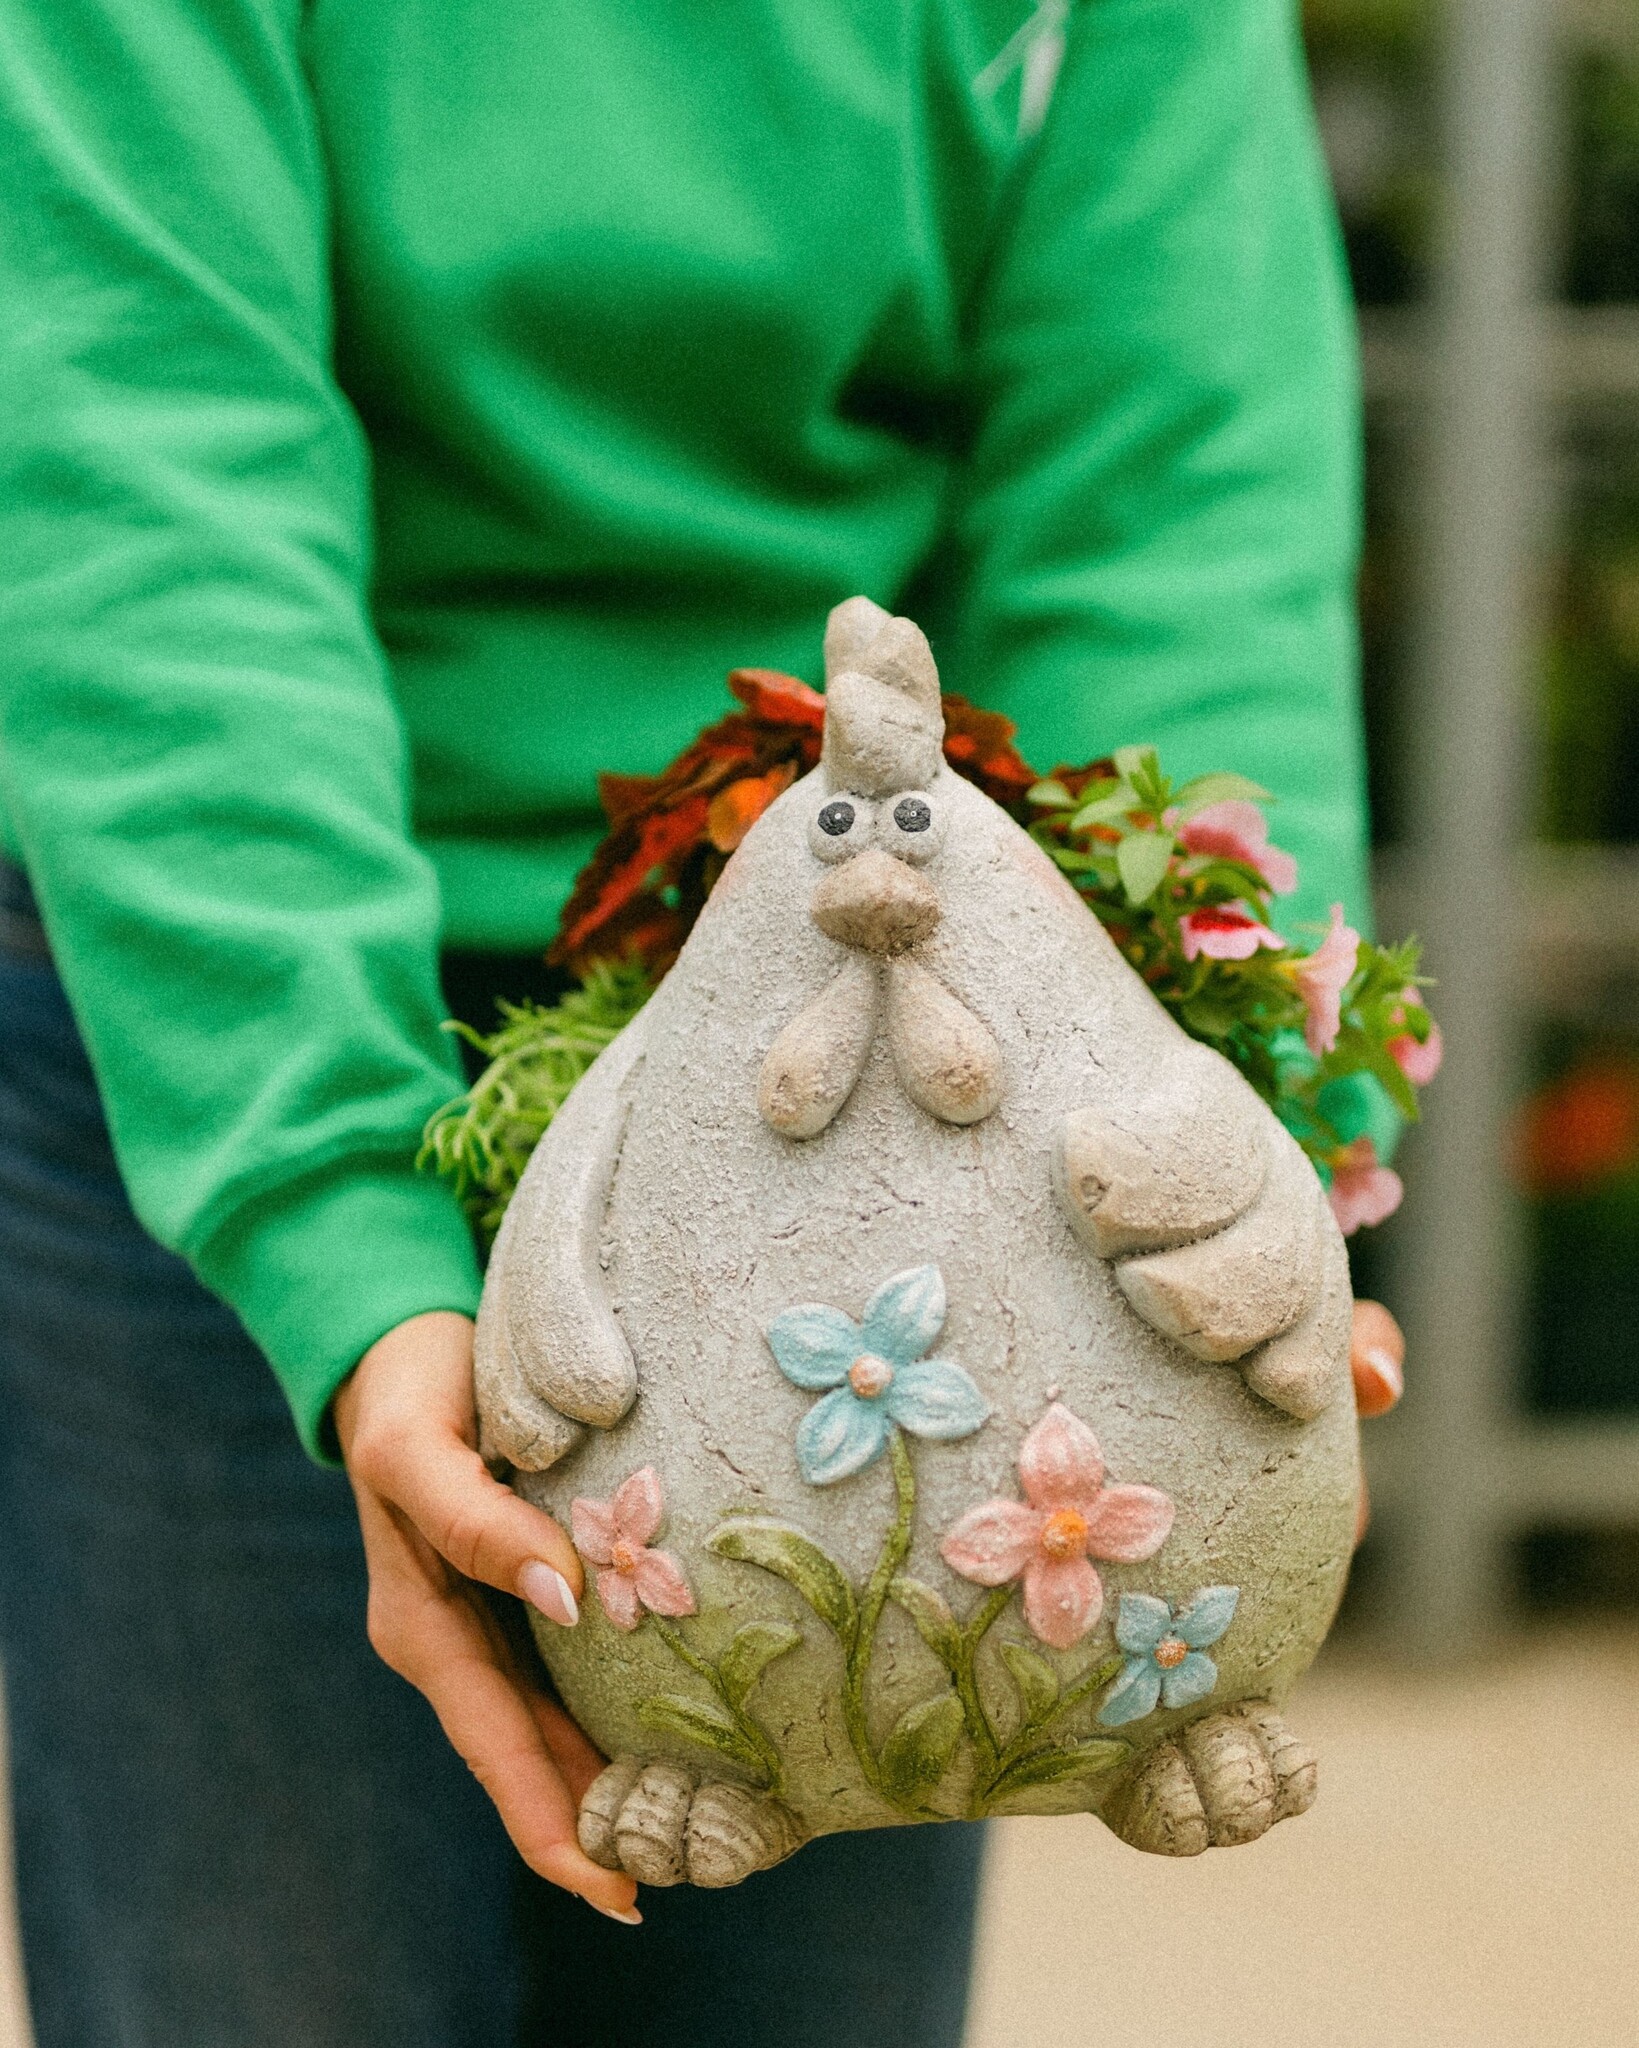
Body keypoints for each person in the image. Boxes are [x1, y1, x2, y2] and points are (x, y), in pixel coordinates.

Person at [0, 1, 1406, 2042]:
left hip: (889, 1026)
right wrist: (332, 1223)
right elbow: (149, 454)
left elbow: (1169, 492)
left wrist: (1222, 1106)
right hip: (227, 1005)